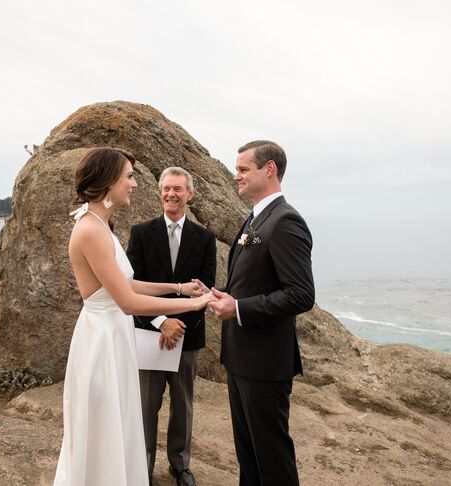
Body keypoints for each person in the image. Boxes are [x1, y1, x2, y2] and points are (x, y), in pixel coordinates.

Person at [53, 147, 216, 486]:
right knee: (104, 423)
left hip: (114, 335)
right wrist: (192, 305)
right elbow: (127, 301)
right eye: (129, 176)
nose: (135, 184)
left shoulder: (100, 224)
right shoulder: (90, 230)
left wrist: (180, 288)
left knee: (119, 420)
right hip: (102, 341)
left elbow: (128, 283)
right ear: (109, 180)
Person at [208, 140, 315, 486]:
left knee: (272, 460)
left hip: (266, 363)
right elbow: (256, 281)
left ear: (269, 170)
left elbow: (301, 294)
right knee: (249, 458)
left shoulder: (285, 221)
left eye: (243, 169)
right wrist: (225, 295)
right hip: (241, 358)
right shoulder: (255, 217)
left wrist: (238, 308)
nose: (235, 175)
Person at [126, 167, 216, 486]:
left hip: (188, 337)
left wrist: (178, 325)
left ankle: (180, 466)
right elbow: (131, 286)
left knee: (183, 405)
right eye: (166, 188)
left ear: (189, 194)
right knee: (146, 407)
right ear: (159, 192)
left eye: (178, 189)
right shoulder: (140, 233)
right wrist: (162, 322)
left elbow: (205, 289)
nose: (170, 194)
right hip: (149, 334)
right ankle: (142, 467)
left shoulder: (204, 239)